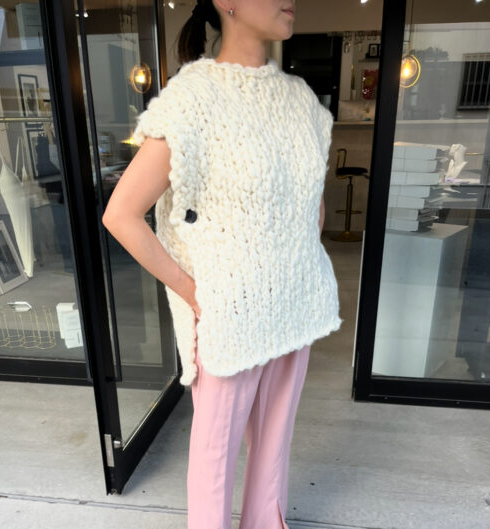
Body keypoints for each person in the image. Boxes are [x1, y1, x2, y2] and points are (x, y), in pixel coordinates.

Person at [102, 1, 342, 528]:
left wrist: (293, 257)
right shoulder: (193, 100)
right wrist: (193, 291)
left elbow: (312, 205)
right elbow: (121, 215)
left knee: (275, 445)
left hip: (296, 303)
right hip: (230, 316)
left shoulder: (301, 101)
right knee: (215, 458)